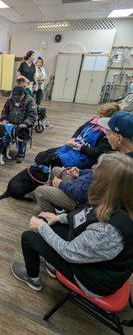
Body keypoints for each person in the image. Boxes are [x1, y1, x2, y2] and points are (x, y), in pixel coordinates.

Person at [11, 153, 133, 295]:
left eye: (95, 174)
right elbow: (86, 215)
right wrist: (59, 218)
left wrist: (41, 227)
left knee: (29, 237)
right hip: (94, 259)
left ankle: (33, 279)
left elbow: (68, 252)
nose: (90, 175)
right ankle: (51, 265)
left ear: (104, 184)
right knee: (51, 226)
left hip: (93, 280)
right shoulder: (114, 202)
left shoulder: (108, 230)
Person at [34, 110, 133, 213]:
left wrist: (60, 184)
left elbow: (84, 193)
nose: (106, 136)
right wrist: (81, 172)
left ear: (119, 138)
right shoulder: (119, 155)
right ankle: (58, 203)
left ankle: (53, 221)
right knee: (56, 170)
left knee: (40, 191)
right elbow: (94, 175)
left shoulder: (119, 165)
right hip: (84, 187)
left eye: (108, 133)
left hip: (85, 202)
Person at [35, 102, 120, 169]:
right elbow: (80, 129)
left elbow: (97, 153)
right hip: (74, 148)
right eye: (99, 115)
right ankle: (43, 175)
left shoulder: (108, 135)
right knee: (44, 154)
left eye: (101, 116)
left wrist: (80, 147)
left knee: (55, 159)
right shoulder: (95, 120)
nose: (98, 117)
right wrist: (73, 139)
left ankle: (56, 181)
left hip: (84, 156)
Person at [0, 86, 36, 163]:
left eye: (17, 96)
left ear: (23, 95)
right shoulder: (10, 99)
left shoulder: (30, 100)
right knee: (0, 132)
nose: (15, 98)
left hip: (22, 125)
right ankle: (2, 151)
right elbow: (4, 111)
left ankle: (20, 153)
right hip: (10, 124)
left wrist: (26, 123)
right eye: (14, 96)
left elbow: (32, 115)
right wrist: (4, 119)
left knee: (21, 135)